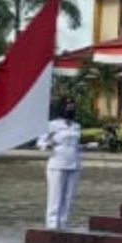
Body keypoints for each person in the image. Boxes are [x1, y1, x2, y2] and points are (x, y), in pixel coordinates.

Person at [36, 97, 84, 230]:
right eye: (68, 107)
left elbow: (77, 144)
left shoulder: (76, 126)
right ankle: (51, 226)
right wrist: (49, 144)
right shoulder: (52, 125)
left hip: (74, 163)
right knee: (55, 197)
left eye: (72, 107)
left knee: (69, 197)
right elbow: (40, 143)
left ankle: (63, 224)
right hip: (57, 163)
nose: (70, 109)